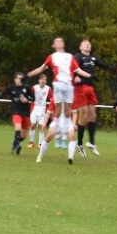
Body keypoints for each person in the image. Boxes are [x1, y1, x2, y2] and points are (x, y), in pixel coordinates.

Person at [27, 36, 90, 164]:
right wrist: (27, 75)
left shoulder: (70, 57)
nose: (60, 42)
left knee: (72, 136)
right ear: (53, 45)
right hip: (57, 119)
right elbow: (49, 111)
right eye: (57, 41)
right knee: (49, 136)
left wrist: (90, 75)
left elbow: (78, 70)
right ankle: (40, 156)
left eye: (62, 40)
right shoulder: (51, 57)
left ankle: (70, 157)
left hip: (67, 119)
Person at [72, 39, 117, 158]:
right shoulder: (78, 56)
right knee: (83, 115)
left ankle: (92, 142)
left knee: (93, 115)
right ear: (80, 47)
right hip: (80, 87)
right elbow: (73, 67)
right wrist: (75, 76)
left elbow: (105, 66)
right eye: (85, 43)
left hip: (90, 88)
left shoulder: (93, 58)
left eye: (89, 44)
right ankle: (79, 143)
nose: (87, 45)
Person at [0, 72, 35, 154]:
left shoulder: (27, 88)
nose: (20, 80)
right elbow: (2, 93)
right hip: (16, 112)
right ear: (15, 79)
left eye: (22, 79)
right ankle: (17, 146)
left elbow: (33, 98)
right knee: (18, 128)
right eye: (19, 78)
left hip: (25, 114)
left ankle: (15, 142)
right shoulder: (11, 88)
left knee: (23, 136)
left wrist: (27, 99)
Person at [28, 73, 52, 149]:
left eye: (44, 80)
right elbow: (30, 96)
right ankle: (31, 142)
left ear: (46, 81)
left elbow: (52, 99)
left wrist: (51, 108)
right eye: (42, 79)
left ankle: (40, 144)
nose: (43, 81)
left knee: (42, 127)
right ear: (39, 80)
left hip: (42, 110)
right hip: (34, 108)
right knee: (32, 125)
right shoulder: (34, 88)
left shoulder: (48, 89)